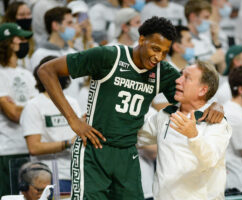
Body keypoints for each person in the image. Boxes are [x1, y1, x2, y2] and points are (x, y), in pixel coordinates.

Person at [37, 16, 224, 199]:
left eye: (164, 52)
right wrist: (73, 120)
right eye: (155, 49)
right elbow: (46, 71)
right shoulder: (109, 56)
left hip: (128, 153)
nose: (158, 57)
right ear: (142, 39)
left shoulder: (163, 71)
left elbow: (193, 96)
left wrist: (216, 105)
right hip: (94, 150)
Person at [138, 61, 232, 199]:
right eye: (180, 75)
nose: (178, 80)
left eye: (187, 78)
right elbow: (135, 137)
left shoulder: (216, 122)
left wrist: (193, 136)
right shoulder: (164, 115)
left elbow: (210, 159)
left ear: (202, 90)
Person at [20, 56, 82, 194]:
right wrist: (67, 143)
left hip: (77, 174)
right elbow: (34, 147)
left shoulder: (73, 102)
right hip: (48, 177)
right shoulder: (33, 105)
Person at [0, 23, 37, 198]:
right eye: (20, 39)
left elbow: (37, 112)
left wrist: (21, 107)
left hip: (29, 149)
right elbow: (13, 114)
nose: (24, 43)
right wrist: (29, 108)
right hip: (7, 150)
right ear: (8, 43)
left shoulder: (27, 74)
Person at [30, 6, 82, 100]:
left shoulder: (73, 52)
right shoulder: (40, 54)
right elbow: (39, 87)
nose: (74, 27)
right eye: (69, 23)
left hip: (75, 107)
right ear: (55, 25)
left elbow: (79, 84)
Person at [184, 0, 225, 73]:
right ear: (193, 17)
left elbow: (222, 69)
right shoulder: (183, 41)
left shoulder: (205, 38)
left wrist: (216, 41)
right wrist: (211, 61)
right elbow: (185, 70)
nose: (209, 21)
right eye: (206, 17)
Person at [2, 1, 34, 70]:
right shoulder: (4, 35)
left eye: (29, 14)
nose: (26, 17)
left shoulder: (31, 37)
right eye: (21, 15)